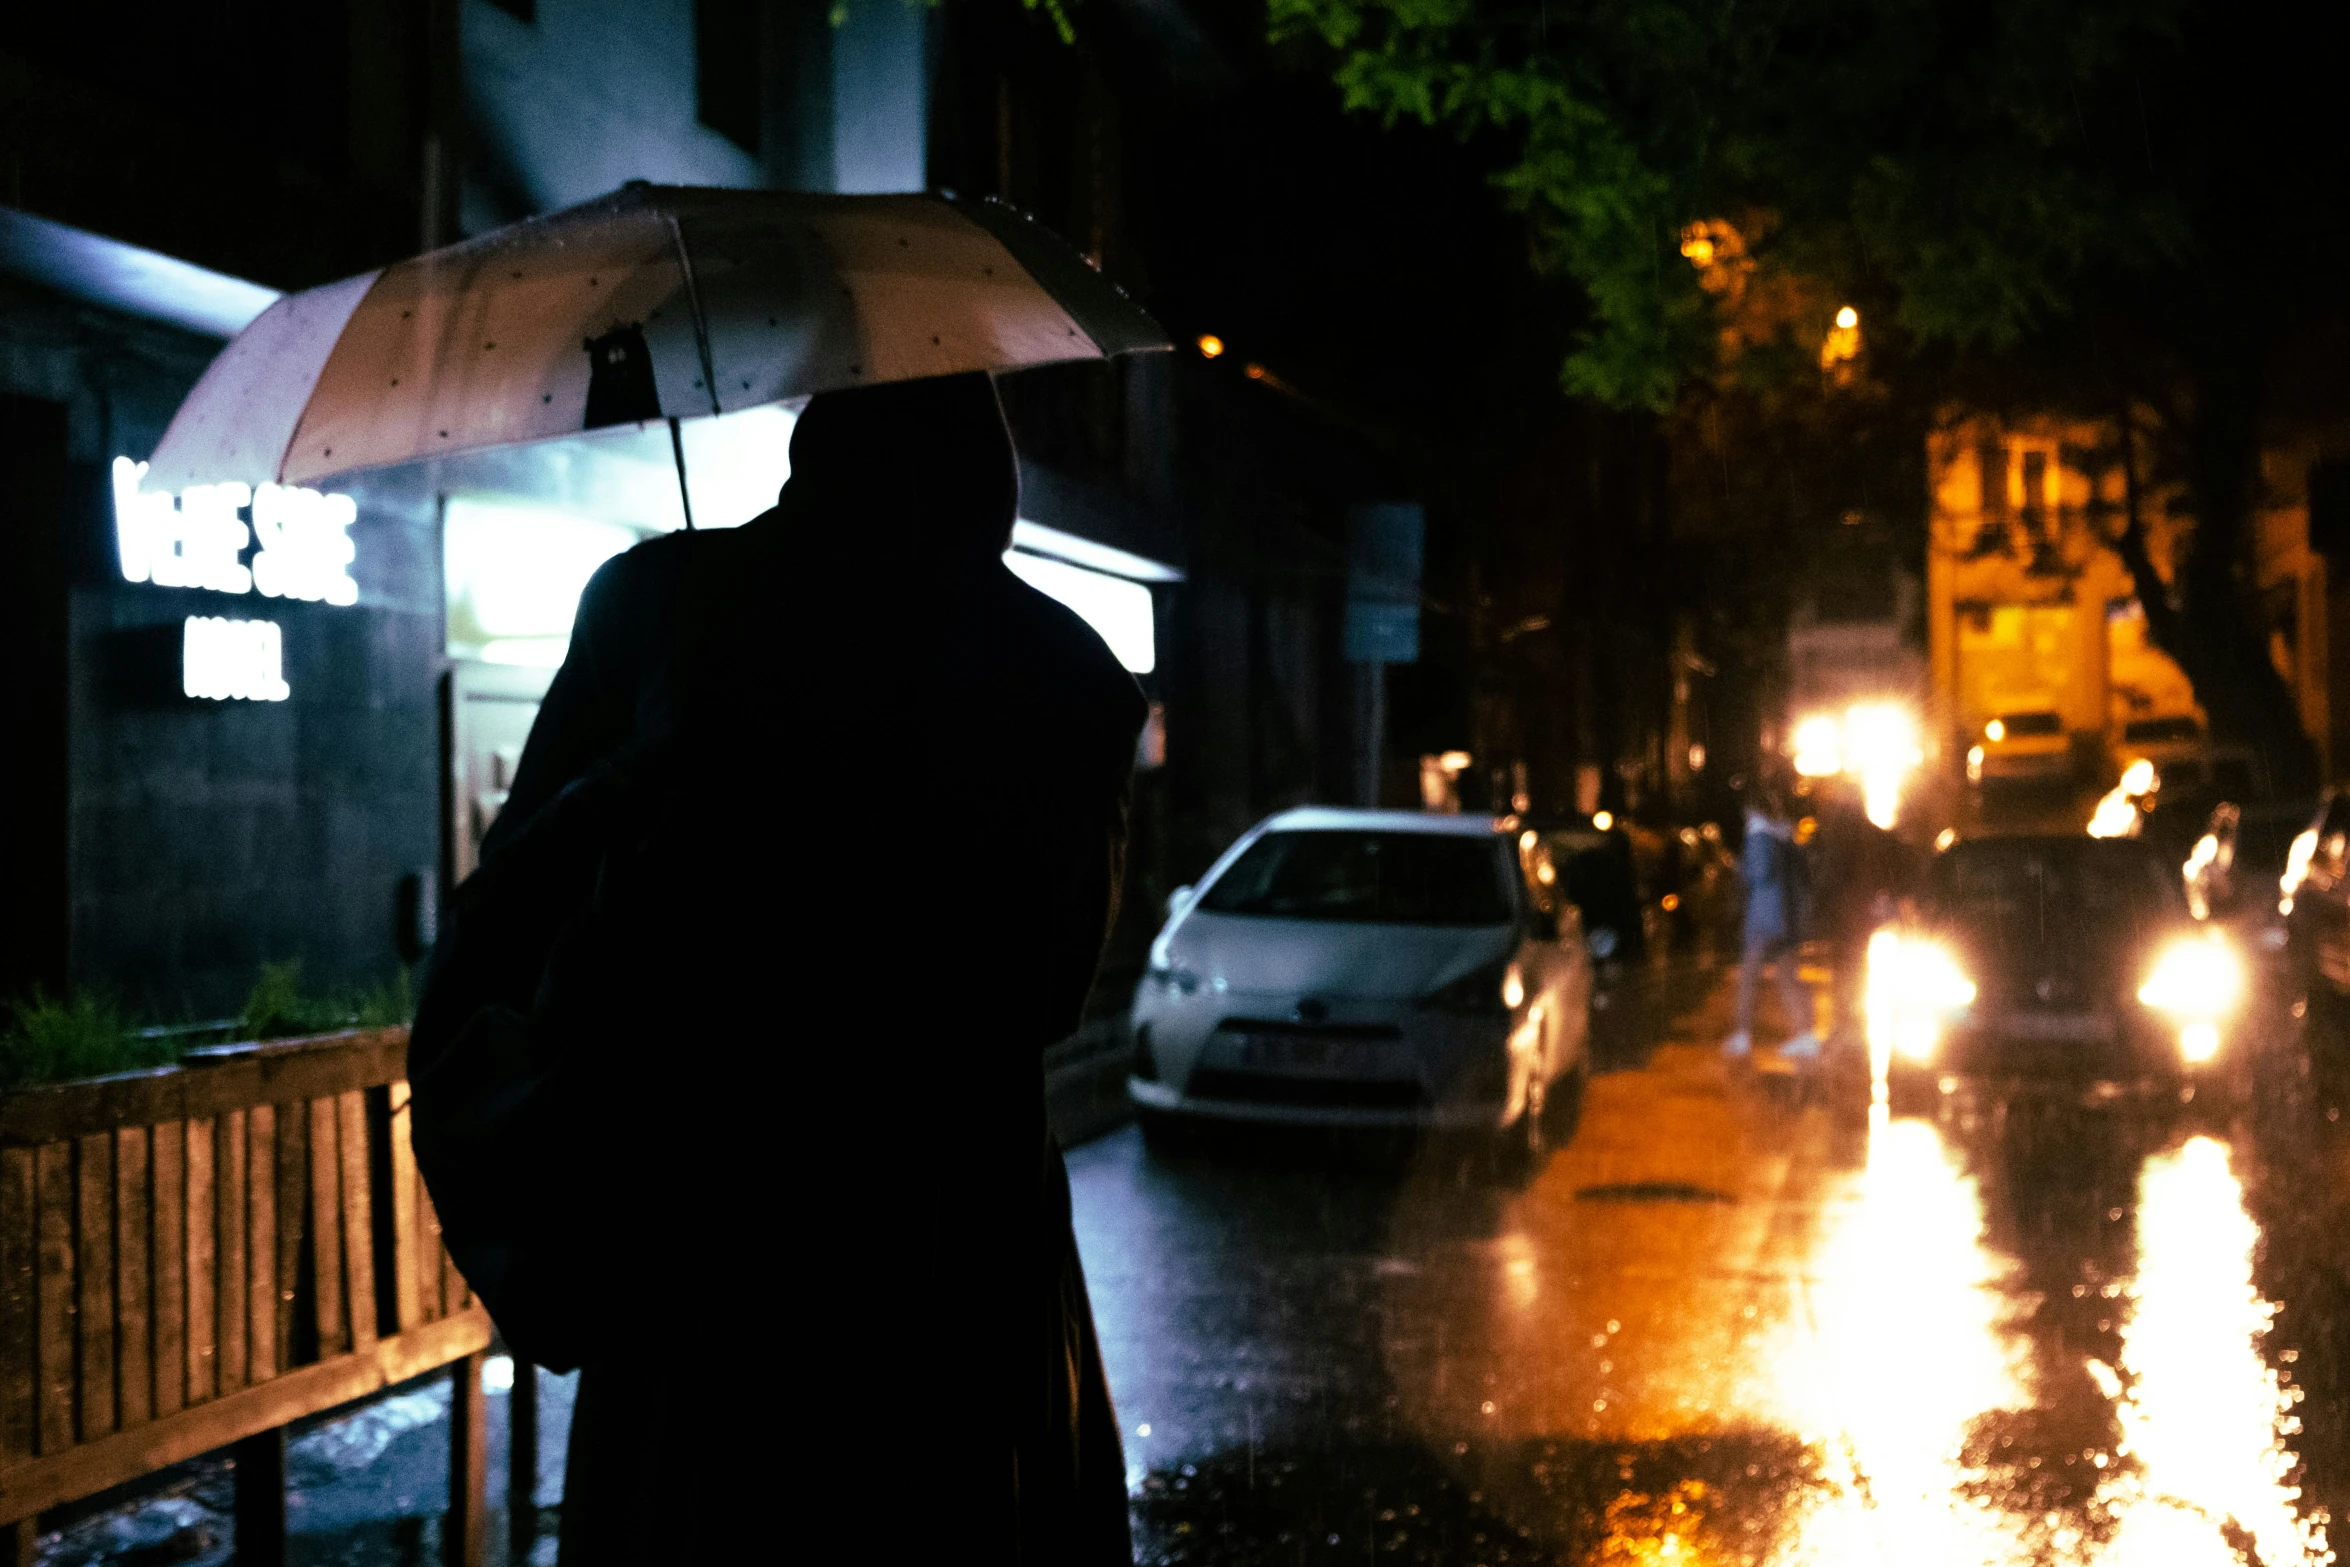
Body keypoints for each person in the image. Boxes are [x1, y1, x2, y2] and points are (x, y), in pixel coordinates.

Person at [407, 372, 1144, 1563]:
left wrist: (654, 810)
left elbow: (508, 926)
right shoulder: (1061, 673)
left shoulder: (660, 608)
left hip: (709, 1255)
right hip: (961, 1261)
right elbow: (1046, 989)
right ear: (987, 466)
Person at [1725, 774, 1820, 1060]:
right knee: (1788, 976)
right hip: (1785, 916)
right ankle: (1806, 1035)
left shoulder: (1757, 835)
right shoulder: (1784, 837)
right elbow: (1801, 874)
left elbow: (1760, 872)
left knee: (1749, 977)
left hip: (1763, 918)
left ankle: (1742, 1035)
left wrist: (1742, 868)